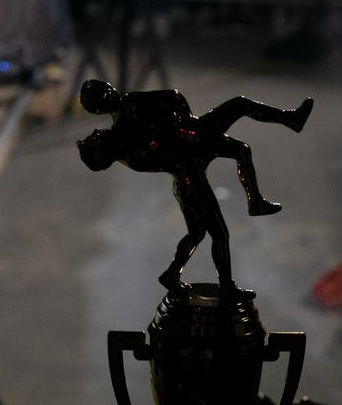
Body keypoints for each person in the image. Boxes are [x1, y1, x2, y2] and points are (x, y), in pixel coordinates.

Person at [77, 79, 313, 300]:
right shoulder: (131, 134)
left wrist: (178, 123)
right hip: (195, 155)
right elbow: (173, 116)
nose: (97, 131)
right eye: (95, 138)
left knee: (199, 229)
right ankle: (226, 286)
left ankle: (175, 274)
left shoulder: (129, 142)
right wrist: (181, 125)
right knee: (217, 232)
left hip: (190, 164)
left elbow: (171, 108)